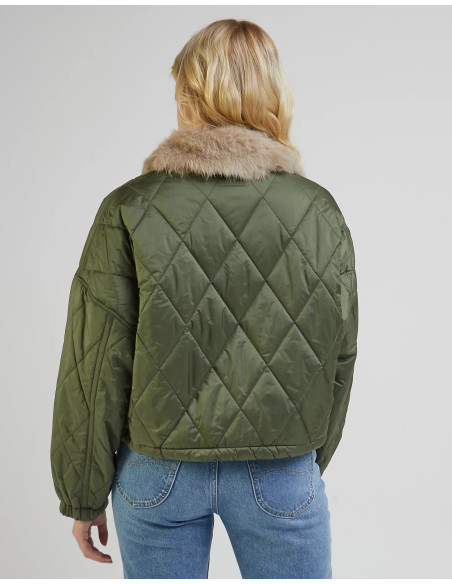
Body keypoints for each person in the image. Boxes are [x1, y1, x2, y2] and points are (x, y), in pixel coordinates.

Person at [50, 18, 359, 579]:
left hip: (157, 470)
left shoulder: (130, 206)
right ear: (273, 95)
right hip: (279, 468)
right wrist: (305, 459)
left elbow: (94, 362)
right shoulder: (317, 210)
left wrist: (83, 491)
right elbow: (340, 354)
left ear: (188, 98)